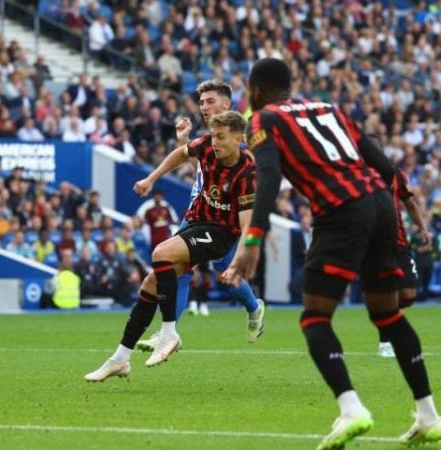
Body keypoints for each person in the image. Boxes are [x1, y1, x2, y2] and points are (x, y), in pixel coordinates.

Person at [224, 58, 440, 449]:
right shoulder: (332, 109)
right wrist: (396, 208)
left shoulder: (264, 119)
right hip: (380, 206)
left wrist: (252, 237)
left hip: (341, 211)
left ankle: (351, 409)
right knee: (388, 316)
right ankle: (428, 414)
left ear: (255, 91)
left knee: (316, 318)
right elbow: (386, 166)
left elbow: (269, 176)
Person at [84, 110, 262, 382]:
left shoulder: (246, 172)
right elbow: (181, 154)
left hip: (221, 233)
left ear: (239, 138)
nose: (215, 141)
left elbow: (247, 224)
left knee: (161, 253)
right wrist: (151, 178)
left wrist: (237, 261)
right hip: (196, 222)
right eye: (213, 135)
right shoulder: (206, 146)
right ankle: (120, 358)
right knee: (150, 283)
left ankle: (169, 333)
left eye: (222, 137)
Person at [135, 80, 264, 352]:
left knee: (225, 272)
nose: (204, 107)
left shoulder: (240, 138)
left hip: (225, 219)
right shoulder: (209, 139)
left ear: (226, 104)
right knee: (177, 270)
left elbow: (241, 180)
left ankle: (254, 308)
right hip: (198, 211)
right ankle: (167, 333)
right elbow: (201, 166)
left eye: (210, 101)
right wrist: (182, 142)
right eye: (202, 102)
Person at [377, 167, 431, 358]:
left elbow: (409, 203)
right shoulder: (358, 175)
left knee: (408, 295)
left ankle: (383, 313)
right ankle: (385, 342)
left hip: (400, 242)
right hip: (376, 245)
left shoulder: (394, 174)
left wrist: (423, 228)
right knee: (388, 289)